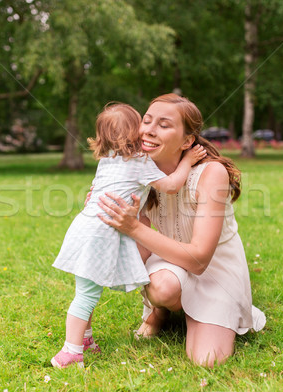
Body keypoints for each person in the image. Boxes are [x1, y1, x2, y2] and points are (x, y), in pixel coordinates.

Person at [97, 94, 266, 367]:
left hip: (214, 272)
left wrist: (132, 227)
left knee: (207, 360)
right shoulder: (136, 172)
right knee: (163, 288)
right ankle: (159, 311)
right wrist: (101, 211)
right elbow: (136, 249)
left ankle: (199, 312)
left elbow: (199, 261)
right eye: (147, 121)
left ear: (187, 141)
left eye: (164, 125)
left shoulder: (211, 173)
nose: (149, 129)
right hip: (167, 267)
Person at [50, 103, 206, 369]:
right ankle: (71, 351)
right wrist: (189, 161)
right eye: (142, 124)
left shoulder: (108, 159)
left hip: (85, 228)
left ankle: (84, 340)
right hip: (101, 234)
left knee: (86, 290)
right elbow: (169, 186)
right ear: (132, 133)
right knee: (86, 296)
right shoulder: (139, 163)